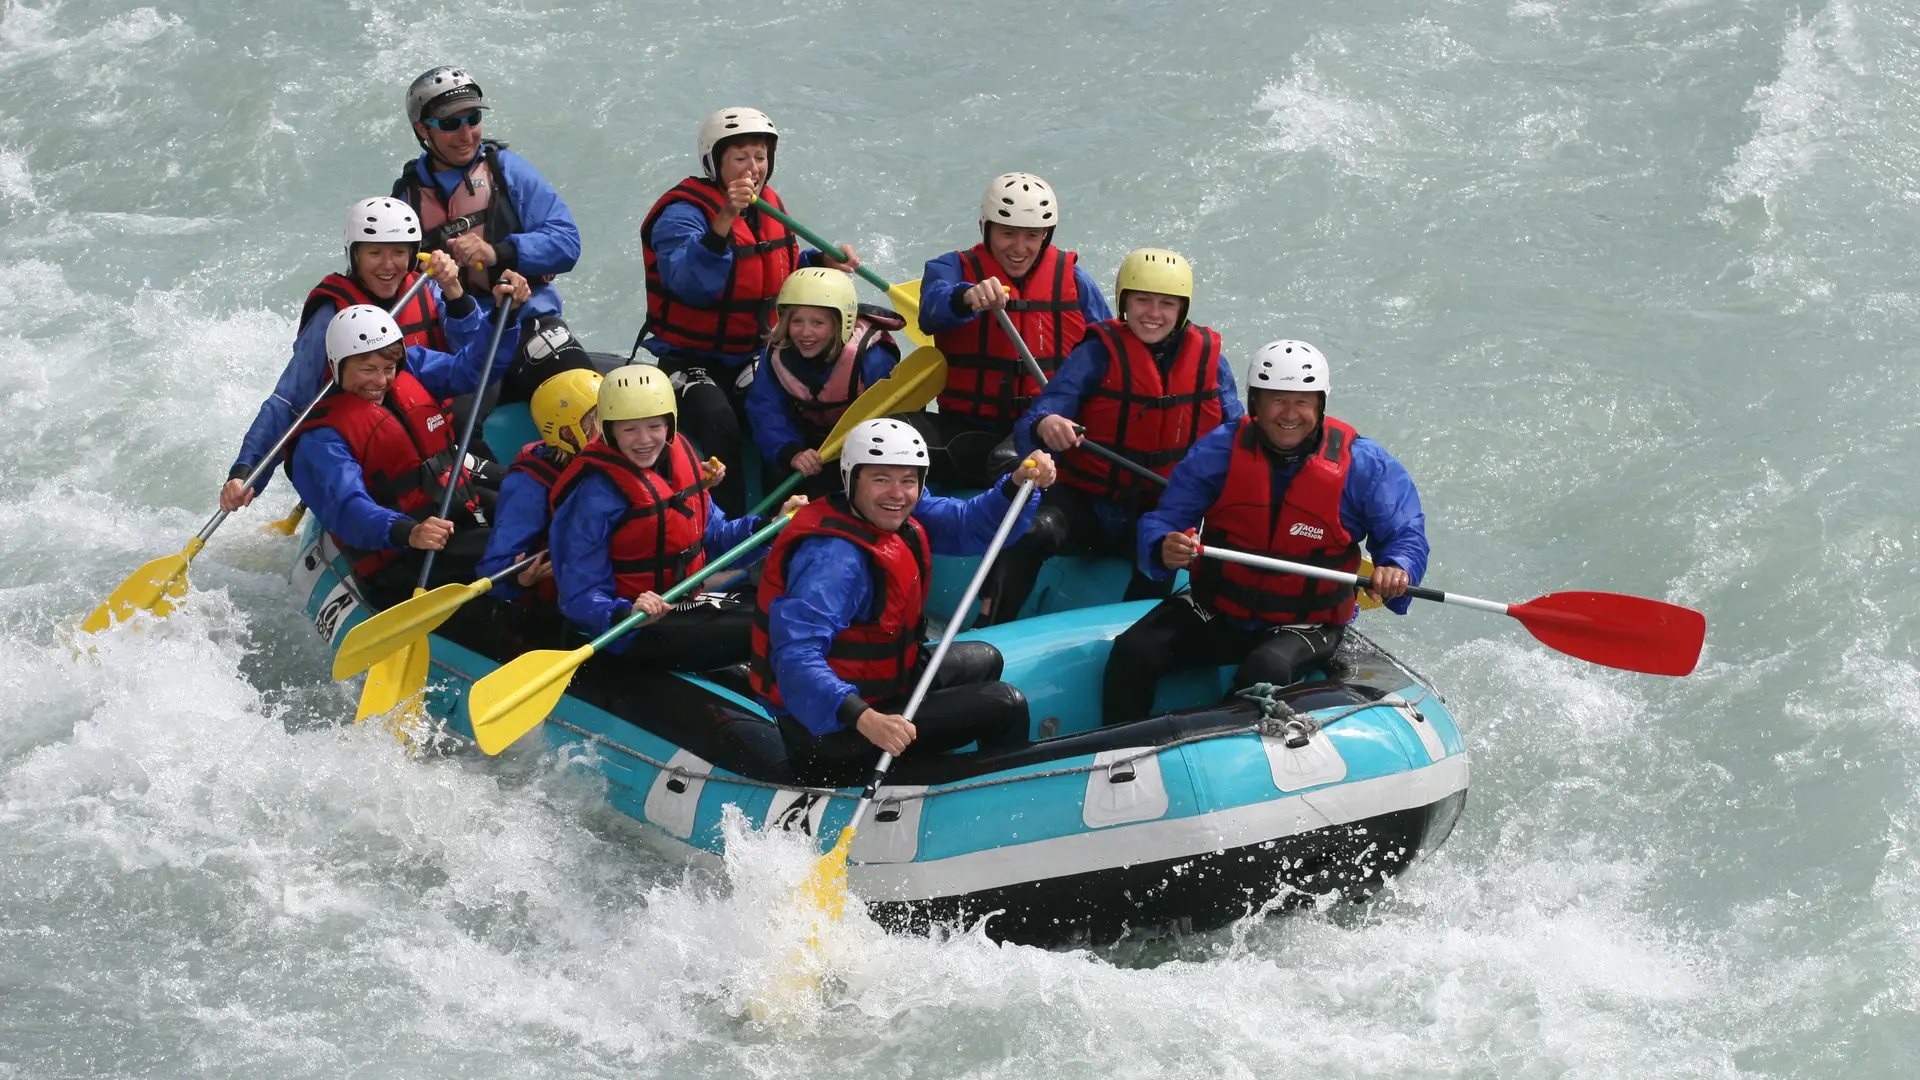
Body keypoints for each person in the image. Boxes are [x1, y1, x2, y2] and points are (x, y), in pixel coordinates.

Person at [1100, 341, 1429, 728]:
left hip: (1307, 619)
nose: (1289, 414)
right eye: (1276, 400)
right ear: (1255, 403)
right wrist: (1163, 545)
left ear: (1320, 405)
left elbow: (1406, 532)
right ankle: (1117, 754)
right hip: (1219, 605)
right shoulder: (1219, 450)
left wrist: (1397, 567)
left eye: (1302, 402)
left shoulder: (1364, 464)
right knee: (1134, 650)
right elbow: (1165, 518)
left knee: (1265, 666)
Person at [750, 418, 1057, 784]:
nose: (897, 493)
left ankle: (928, 768)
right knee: (1006, 704)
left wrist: (1016, 485)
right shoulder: (833, 561)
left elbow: (967, 524)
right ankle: (996, 801)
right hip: (830, 730)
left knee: (984, 659)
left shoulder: (894, 514)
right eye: (881, 478)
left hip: (881, 689)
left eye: (908, 480)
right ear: (852, 479)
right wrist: (867, 719)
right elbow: (795, 656)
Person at [981, 248, 1243, 624]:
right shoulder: (1096, 353)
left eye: (1166, 304)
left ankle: (1130, 640)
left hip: (1158, 509)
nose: (1153, 314)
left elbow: (1240, 440)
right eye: (1142, 301)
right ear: (1123, 302)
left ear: (1182, 309)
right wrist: (1046, 425)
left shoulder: (1209, 362)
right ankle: (990, 619)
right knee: (1032, 530)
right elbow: (1034, 420)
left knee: (1162, 553)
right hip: (1087, 503)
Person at [635, 107, 859, 516]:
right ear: (714, 162)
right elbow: (689, 283)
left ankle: (792, 518)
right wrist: (725, 218)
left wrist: (820, 262)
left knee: (790, 413)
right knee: (720, 420)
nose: (752, 168)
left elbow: (778, 271)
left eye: (760, 156)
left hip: (750, 353)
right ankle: (730, 530)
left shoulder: (770, 205)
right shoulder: (682, 213)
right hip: (689, 359)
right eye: (740, 157)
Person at [286, 279, 529, 611]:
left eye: (388, 368)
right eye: (367, 369)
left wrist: (505, 315)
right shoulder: (322, 437)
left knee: (537, 505)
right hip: (401, 551)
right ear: (337, 366)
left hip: (454, 506)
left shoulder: (409, 367)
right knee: (517, 553)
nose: (380, 381)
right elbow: (349, 508)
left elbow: (470, 369)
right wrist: (408, 532)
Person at [222, 198, 477, 512]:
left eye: (398, 252)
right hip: (367, 448)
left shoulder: (428, 287)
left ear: (412, 255)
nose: (388, 265)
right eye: (374, 253)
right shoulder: (332, 314)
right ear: (355, 255)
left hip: (430, 430)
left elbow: (474, 353)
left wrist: (453, 288)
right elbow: (289, 401)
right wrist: (246, 472)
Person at [548, 365, 805, 670]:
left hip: (680, 603)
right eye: (629, 429)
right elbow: (578, 593)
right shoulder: (595, 496)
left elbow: (716, 537)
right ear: (609, 430)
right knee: (778, 626)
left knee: (795, 608)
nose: (644, 440)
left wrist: (772, 526)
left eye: (654, 426)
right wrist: (623, 613)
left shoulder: (677, 459)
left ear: (670, 425)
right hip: (629, 628)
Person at [393, 66, 590, 415]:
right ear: (423, 130)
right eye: (451, 124)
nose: (467, 134)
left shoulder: (507, 170)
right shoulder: (406, 197)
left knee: (588, 403)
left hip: (527, 322)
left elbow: (566, 242)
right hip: (461, 343)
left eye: (472, 118)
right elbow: (393, 275)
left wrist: (496, 252)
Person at [911, 172, 1111, 486]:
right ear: (984, 228)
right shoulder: (950, 268)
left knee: (1010, 461)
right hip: (968, 427)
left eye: (1032, 235)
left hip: (1044, 429)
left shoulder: (1075, 281)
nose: (1019, 247)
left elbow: (1111, 350)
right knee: (886, 436)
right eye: (1008, 233)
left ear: (1046, 234)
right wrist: (966, 297)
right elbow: (931, 311)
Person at [745, 267, 904, 500]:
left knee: (833, 487)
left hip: (859, 446)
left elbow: (893, 422)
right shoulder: (778, 355)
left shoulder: (873, 359)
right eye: (796, 321)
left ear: (841, 324)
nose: (805, 332)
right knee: (777, 470)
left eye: (818, 323)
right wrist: (791, 451)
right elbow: (765, 409)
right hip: (804, 439)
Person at [476, 368, 602, 608]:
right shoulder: (530, 486)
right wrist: (519, 580)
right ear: (568, 433)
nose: (615, 425)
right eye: (602, 420)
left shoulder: (616, 457)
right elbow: (492, 570)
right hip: (565, 601)